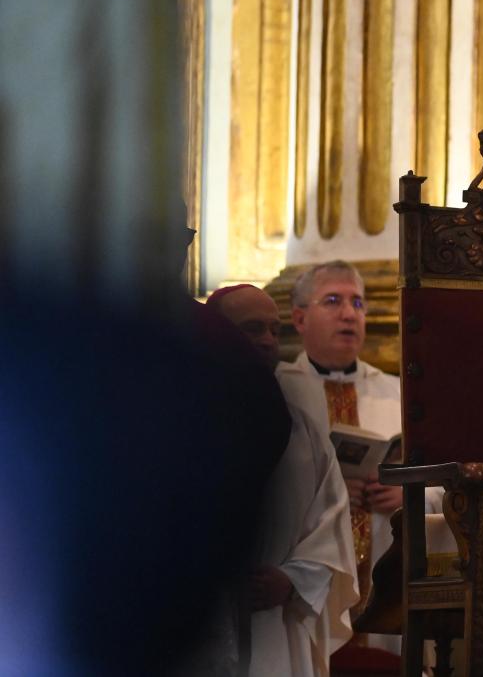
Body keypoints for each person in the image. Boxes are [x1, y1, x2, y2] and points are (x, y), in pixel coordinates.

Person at [276, 261, 440, 652]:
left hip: (386, 580)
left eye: (358, 303)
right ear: (299, 318)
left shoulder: (400, 394)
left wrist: (409, 495)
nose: (349, 314)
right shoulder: (277, 390)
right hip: (302, 583)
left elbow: (443, 479)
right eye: (332, 301)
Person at [207, 284, 358, 677]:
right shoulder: (176, 417)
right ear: (211, 332)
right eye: (251, 329)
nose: (267, 342)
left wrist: (292, 579)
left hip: (277, 618)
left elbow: (333, 519)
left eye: (274, 330)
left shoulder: (301, 428)